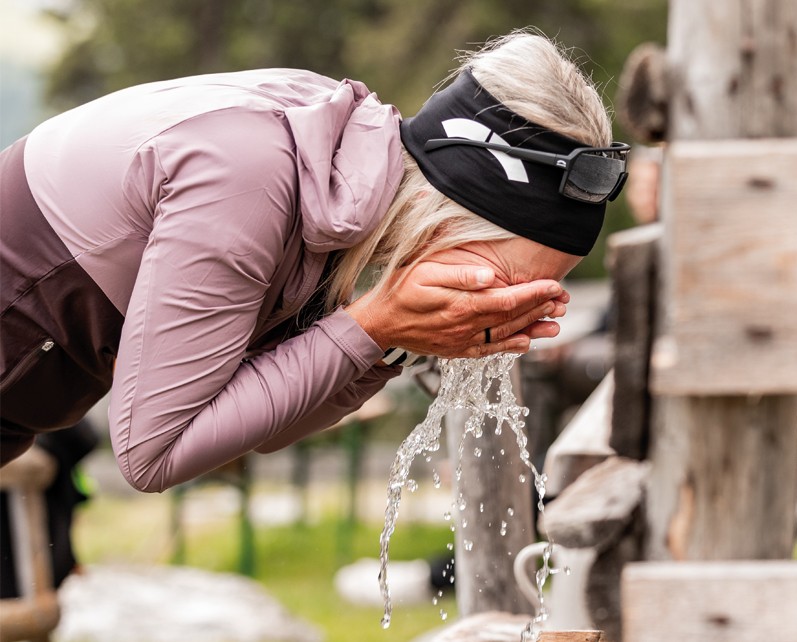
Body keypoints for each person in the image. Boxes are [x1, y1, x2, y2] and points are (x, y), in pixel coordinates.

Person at [0, 30, 629, 493]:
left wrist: (389, 345)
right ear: (448, 218)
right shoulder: (254, 177)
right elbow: (153, 453)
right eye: (507, 279)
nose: (501, 302)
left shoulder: (335, 172)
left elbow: (252, 425)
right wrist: (373, 328)